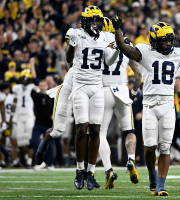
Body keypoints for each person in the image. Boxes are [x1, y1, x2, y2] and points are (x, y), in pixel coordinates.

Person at [111, 12, 180, 195]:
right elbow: (124, 49)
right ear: (155, 40)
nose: (168, 43)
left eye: (169, 40)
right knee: (150, 148)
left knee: (165, 147)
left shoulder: (177, 53)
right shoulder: (144, 51)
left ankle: (160, 185)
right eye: (164, 40)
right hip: (149, 105)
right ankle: (152, 175)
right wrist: (117, 29)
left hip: (167, 105)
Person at [68, 6, 119, 191]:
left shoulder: (105, 37)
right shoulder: (76, 34)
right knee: (81, 128)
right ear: (85, 21)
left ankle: (91, 171)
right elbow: (68, 59)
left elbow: (110, 61)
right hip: (80, 85)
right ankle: (79, 169)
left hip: (97, 86)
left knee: (96, 130)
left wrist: (118, 49)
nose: (95, 23)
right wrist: (70, 45)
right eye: (92, 20)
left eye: (98, 20)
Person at [98, 17, 142, 189]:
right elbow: (138, 75)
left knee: (101, 134)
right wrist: (133, 94)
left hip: (103, 90)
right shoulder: (126, 42)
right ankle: (131, 159)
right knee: (129, 130)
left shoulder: (97, 43)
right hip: (122, 90)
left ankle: (109, 170)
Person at [11, 69, 36, 168]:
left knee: (32, 139)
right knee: (20, 141)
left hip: (30, 116)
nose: (24, 81)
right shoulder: (17, 88)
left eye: (26, 79)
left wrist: (32, 66)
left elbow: (36, 79)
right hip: (19, 116)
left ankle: (30, 161)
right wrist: (12, 116)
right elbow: (14, 101)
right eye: (23, 79)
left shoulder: (33, 87)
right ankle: (26, 158)